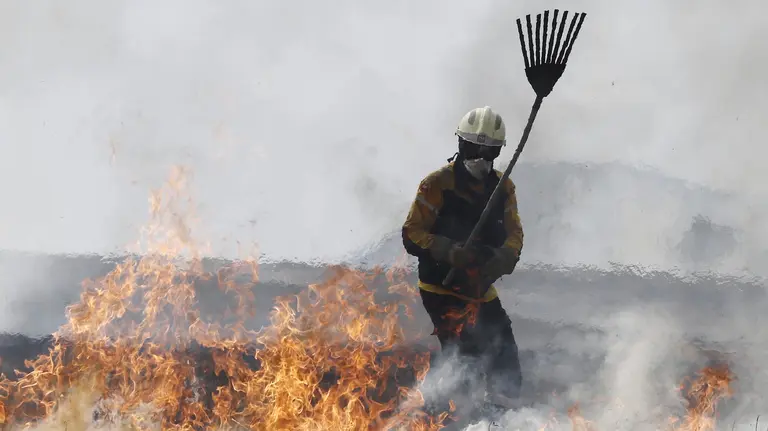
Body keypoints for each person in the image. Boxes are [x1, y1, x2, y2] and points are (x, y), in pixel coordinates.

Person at [401, 106, 524, 407]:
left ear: (498, 152)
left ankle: (501, 417)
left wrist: (503, 259)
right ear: (460, 144)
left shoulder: (503, 188)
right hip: (440, 288)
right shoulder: (436, 184)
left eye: (488, 151)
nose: (480, 158)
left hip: (480, 289)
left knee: (505, 358)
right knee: (464, 356)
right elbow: (412, 233)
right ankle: (439, 411)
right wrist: (446, 250)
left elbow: (515, 235)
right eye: (473, 149)